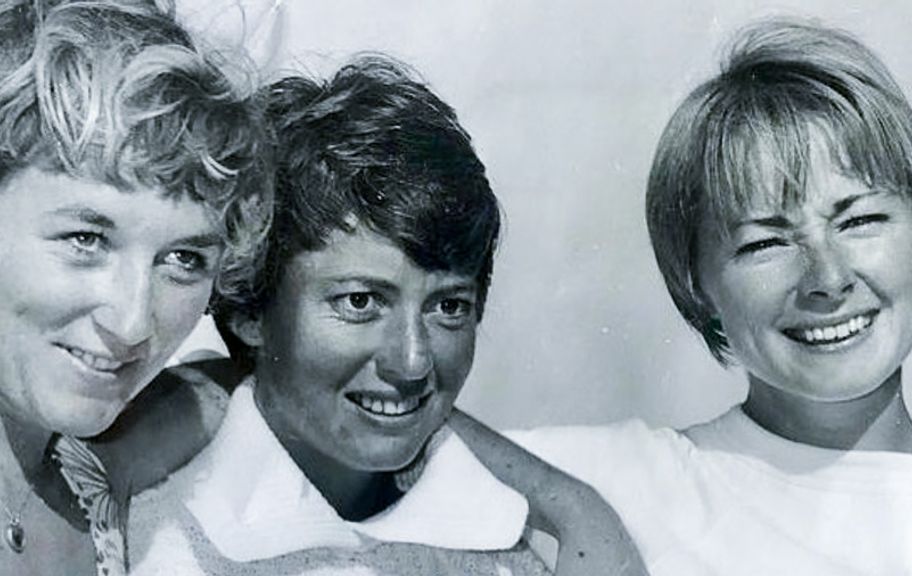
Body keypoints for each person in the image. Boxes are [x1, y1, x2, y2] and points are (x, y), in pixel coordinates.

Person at [509, 19, 912, 575]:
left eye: (860, 220)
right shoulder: (614, 482)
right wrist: (577, 513)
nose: (827, 278)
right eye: (766, 243)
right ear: (695, 284)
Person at [127, 54, 646, 576]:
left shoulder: (521, 543)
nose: (413, 361)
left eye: (448, 306)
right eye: (360, 302)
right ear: (249, 310)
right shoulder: (148, 539)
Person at [0, 0, 271, 575]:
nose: (131, 324)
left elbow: (288, 385)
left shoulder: (90, 478)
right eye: (85, 239)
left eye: (183, 259)